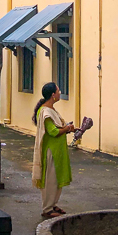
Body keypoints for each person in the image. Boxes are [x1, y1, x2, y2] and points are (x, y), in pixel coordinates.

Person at [32, 81, 75, 219]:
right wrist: (67, 128)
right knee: (51, 180)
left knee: (56, 180)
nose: (60, 92)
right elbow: (53, 131)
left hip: (57, 150)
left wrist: (68, 128)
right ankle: (47, 208)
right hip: (51, 151)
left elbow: (57, 129)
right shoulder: (45, 112)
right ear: (53, 95)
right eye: (58, 90)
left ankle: (53, 204)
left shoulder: (50, 110)